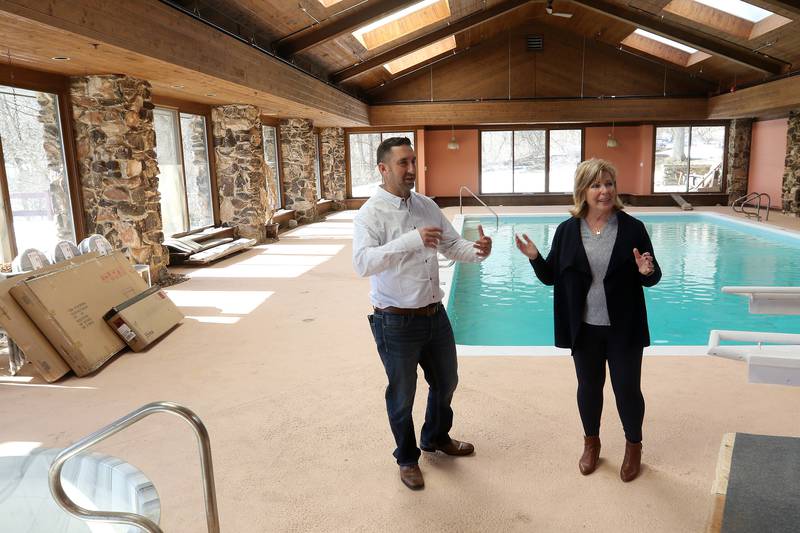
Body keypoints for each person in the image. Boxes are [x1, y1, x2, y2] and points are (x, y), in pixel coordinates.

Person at [353, 136, 492, 490]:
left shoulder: (427, 205)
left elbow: (452, 245)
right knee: (402, 395)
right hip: (395, 320)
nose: (412, 169)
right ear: (383, 169)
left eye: (413, 161)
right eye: (403, 163)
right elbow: (362, 263)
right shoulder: (370, 213)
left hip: (435, 314)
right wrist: (411, 240)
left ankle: (435, 436)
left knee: (447, 382)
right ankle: (407, 457)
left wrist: (477, 251)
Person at [515, 158, 660, 483]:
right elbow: (552, 276)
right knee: (589, 388)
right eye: (596, 185)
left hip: (624, 327)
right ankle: (591, 443)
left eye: (608, 183)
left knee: (627, 389)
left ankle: (633, 446)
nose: (604, 191)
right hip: (584, 328)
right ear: (583, 190)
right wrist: (535, 258)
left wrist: (645, 271)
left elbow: (653, 275)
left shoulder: (632, 228)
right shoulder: (567, 230)